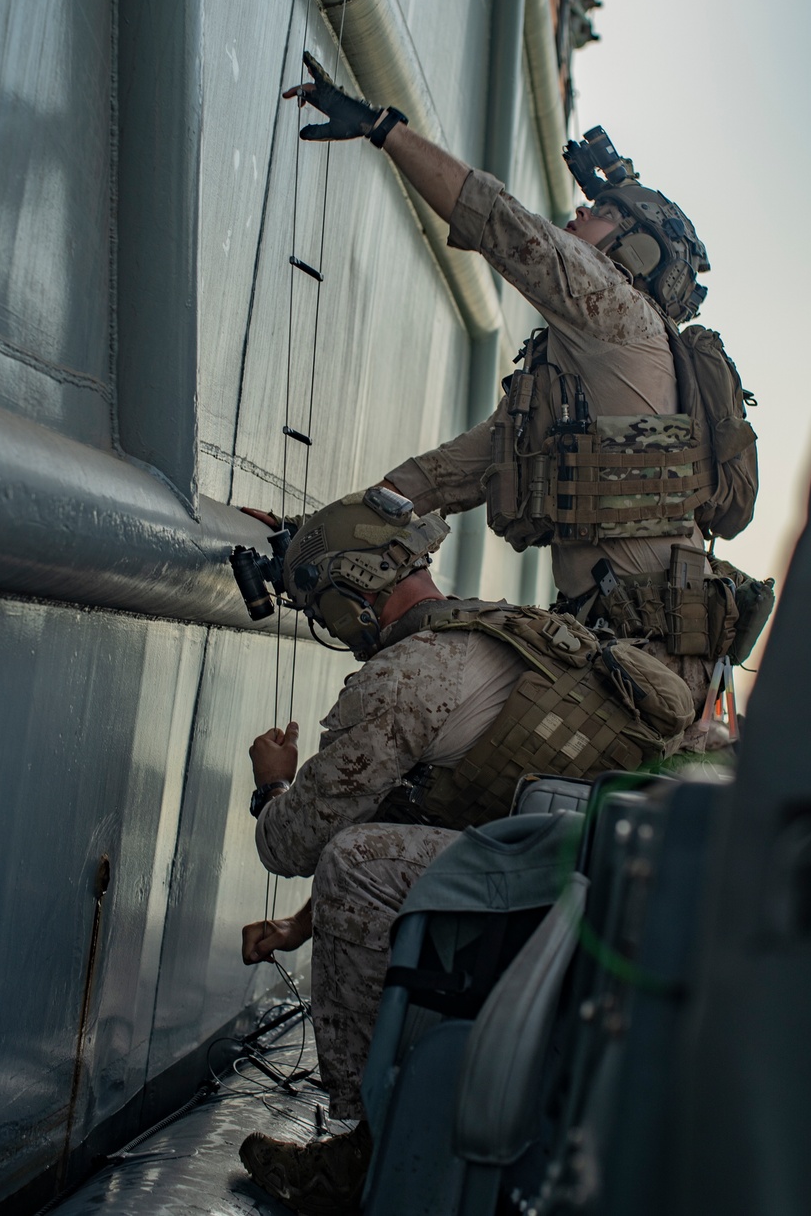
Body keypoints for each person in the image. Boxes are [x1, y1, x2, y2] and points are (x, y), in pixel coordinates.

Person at [236, 487, 692, 1214]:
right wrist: (298, 926)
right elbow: (422, 801)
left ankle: (366, 1144)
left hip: (550, 879)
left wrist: (273, 787)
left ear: (356, 599)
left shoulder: (401, 679)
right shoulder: (506, 629)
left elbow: (294, 844)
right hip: (619, 871)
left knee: (354, 859)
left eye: (325, 607)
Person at [283, 56, 768, 730]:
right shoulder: (565, 397)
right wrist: (309, 540)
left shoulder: (620, 316)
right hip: (623, 671)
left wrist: (382, 129)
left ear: (638, 253)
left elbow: (506, 228)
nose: (577, 215)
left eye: (599, 212)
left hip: (639, 678)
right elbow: (435, 480)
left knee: (421, 674)